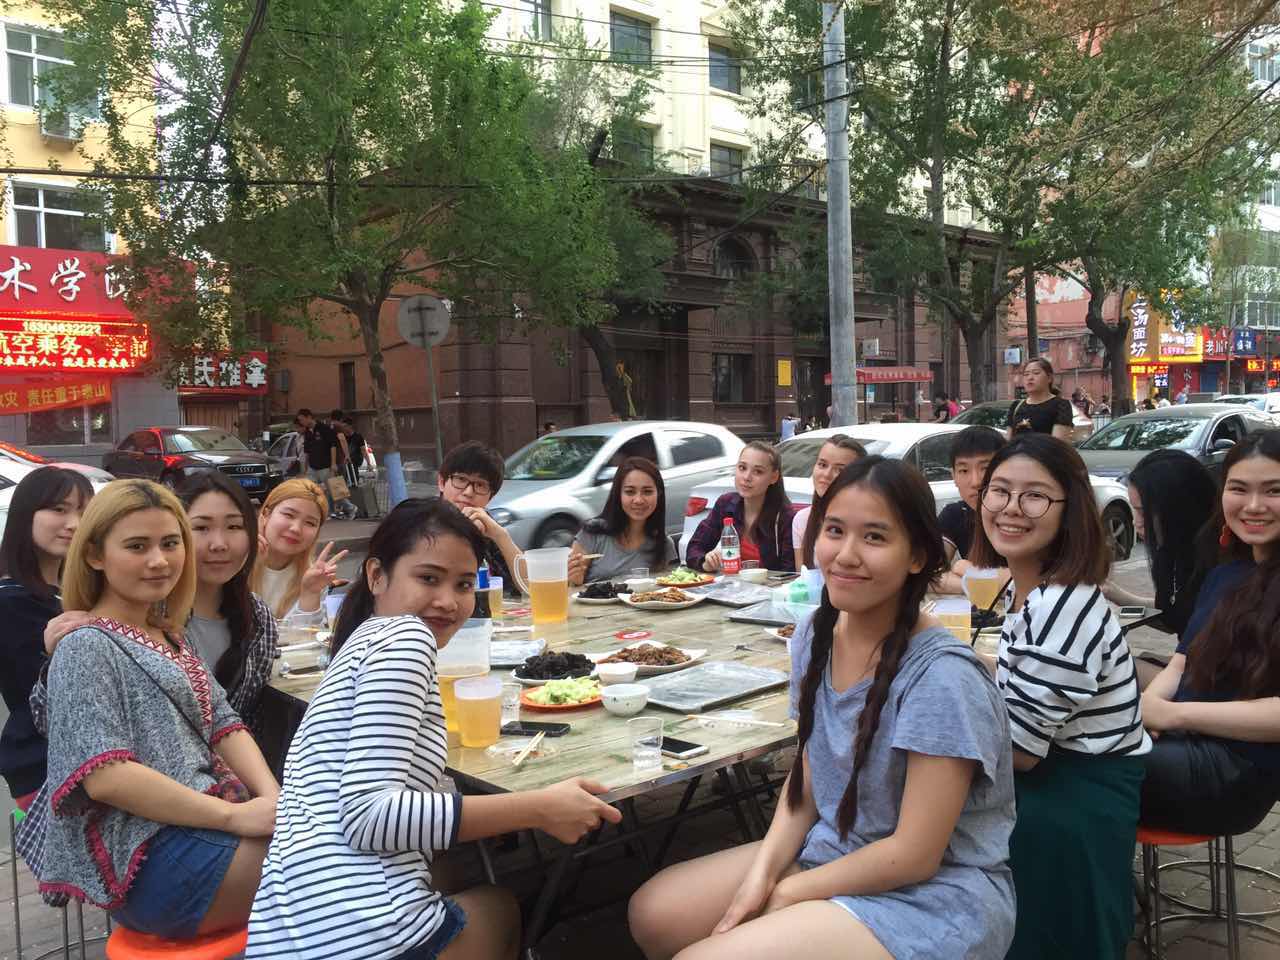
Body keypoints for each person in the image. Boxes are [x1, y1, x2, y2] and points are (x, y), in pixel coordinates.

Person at [628, 457, 1016, 960]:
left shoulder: (942, 677)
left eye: (874, 537)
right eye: (835, 530)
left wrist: (789, 892)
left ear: (917, 556)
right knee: (652, 914)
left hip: (933, 894)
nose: (846, 555)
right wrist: (763, 873)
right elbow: (808, 784)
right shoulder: (815, 633)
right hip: (834, 849)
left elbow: (915, 854)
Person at [247, 498, 622, 959]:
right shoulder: (407, 639)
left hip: (287, 933)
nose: (448, 600)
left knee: (455, 874)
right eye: (428, 578)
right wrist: (539, 808)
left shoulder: (360, 639)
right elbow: (370, 816)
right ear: (377, 575)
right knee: (500, 905)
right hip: (368, 936)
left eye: (463, 584)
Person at [29, 479, 277, 937]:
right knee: (351, 867)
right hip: (155, 859)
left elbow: (224, 724)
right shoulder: (85, 644)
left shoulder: (168, 635)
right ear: (95, 555)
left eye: (170, 543)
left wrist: (271, 798)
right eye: (137, 546)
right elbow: (105, 775)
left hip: (200, 832)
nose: (159, 560)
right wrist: (236, 815)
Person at [969, 434, 1150, 960]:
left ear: (1070, 511)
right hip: (1058, 777)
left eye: (1035, 496)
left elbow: (1021, 751)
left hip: (1071, 797)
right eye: (999, 490)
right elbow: (1020, 679)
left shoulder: (1061, 606)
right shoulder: (1030, 589)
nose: (1010, 508)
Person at [1138, 431, 1280, 837]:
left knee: (1076, 763)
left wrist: (1173, 714)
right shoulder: (1225, 573)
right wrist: (1150, 707)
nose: (1254, 505)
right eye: (1239, 489)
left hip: (1237, 770)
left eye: (1274, 491)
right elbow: (1181, 663)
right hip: (1185, 742)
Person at [0, 467, 93, 811]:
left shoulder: (72, 594)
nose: (74, 523)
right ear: (26, 514)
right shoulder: (11, 601)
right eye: (59, 509)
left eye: (84, 512)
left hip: (90, 759)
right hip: (46, 767)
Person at [1101, 449, 1218, 677]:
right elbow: (1173, 611)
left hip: (1209, 680)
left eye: (1143, 512)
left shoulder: (1220, 569)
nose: (1136, 523)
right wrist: (1112, 592)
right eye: (1134, 511)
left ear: (1178, 509)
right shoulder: (1176, 554)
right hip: (1191, 668)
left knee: (1108, 668)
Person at [685, 442, 795, 573]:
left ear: (774, 477)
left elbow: (790, 573)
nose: (747, 477)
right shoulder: (726, 504)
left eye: (758, 471)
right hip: (732, 584)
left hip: (770, 585)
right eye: (742, 468)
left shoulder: (785, 517)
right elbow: (694, 549)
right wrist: (706, 562)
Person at [568, 457, 677, 586]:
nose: (638, 500)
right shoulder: (592, 532)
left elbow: (667, 590)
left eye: (647, 492)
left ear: (659, 494)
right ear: (618, 494)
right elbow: (569, 586)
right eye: (630, 492)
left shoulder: (664, 544)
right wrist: (574, 581)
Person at [252, 478, 347, 624]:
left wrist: (310, 593)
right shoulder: (234, 562)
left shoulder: (313, 576)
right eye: (288, 515)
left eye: (310, 523)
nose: (296, 529)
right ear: (266, 515)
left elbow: (302, 636)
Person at [435, 441, 521, 600]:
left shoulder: (486, 526)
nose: (468, 492)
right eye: (461, 479)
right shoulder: (421, 525)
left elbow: (527, 586)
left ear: (491, 496)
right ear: (441, 482)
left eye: (480, 485)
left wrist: (500, 535)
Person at [934, 426, 1006, 595]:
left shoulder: (1020, 516)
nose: (975, 482)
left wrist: (967, 570)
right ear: (953, 476)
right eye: (964, 470)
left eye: (985, 468)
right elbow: (929, 575)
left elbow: (1033, 583)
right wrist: (974, 582)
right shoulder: (956, 514)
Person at [792, 435, 866, 570]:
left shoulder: (868, 521)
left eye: (840, 469)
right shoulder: (802, 519)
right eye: (822, 465)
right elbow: (803, 576)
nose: (826, 474)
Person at [1007, 358, 1073, 440]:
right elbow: (1008, 441)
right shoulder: (1016, 406)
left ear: (1049, 378)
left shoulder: (1061, 405)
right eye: (1026, 374)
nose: (1030, 378)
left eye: (1036, 373)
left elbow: (1057, 443)